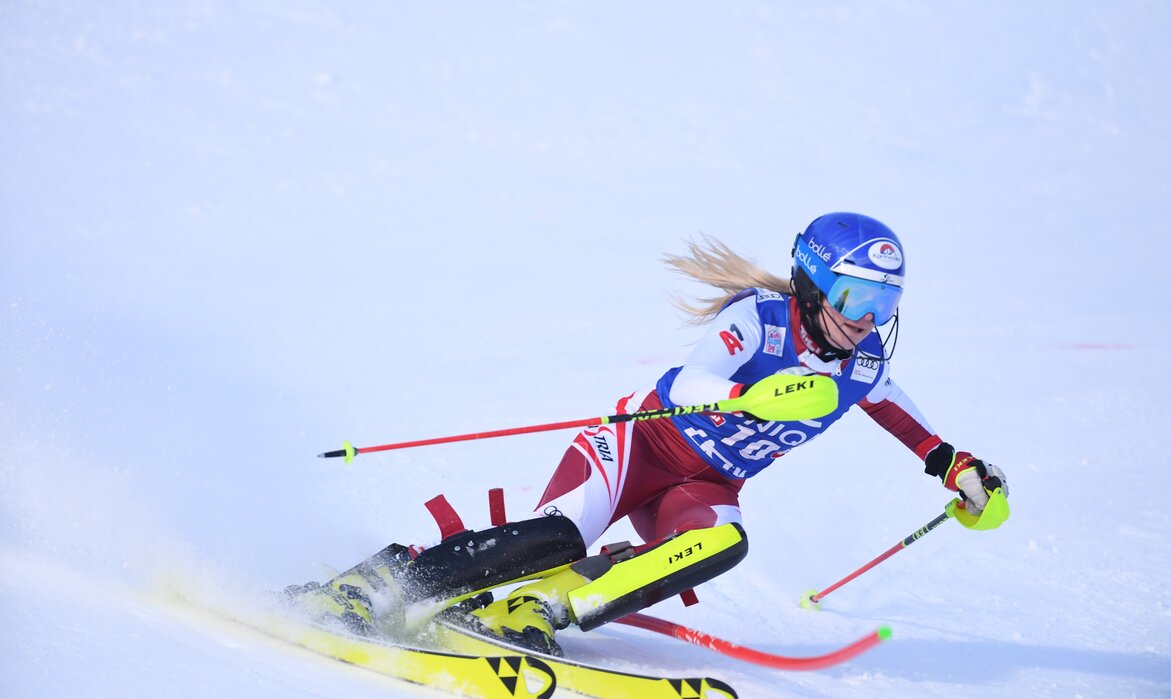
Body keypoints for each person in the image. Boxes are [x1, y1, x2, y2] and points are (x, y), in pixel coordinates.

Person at [287, 212, 1009, 656]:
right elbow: (690, 383)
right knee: (558, 536)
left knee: (722, 540)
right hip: (635, 448)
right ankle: (378, 580)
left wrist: (952, 466)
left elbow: (898, 412)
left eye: (884, 302)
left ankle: (536, 607)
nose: (866, 317)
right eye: (856, 296)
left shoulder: (862, 362)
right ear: (816, 286)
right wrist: (749, 399)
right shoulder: (757, 320)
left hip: (703, 484)